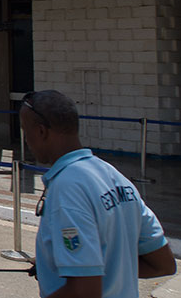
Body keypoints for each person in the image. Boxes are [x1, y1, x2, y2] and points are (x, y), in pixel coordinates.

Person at [20, 90, 175, 298]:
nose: (26, 140)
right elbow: (163, 264)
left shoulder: (67, 189)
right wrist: (68, 266)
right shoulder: (116, 178)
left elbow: (85, 292)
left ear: (41, 132)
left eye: (25, 131)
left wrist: (88, 275)